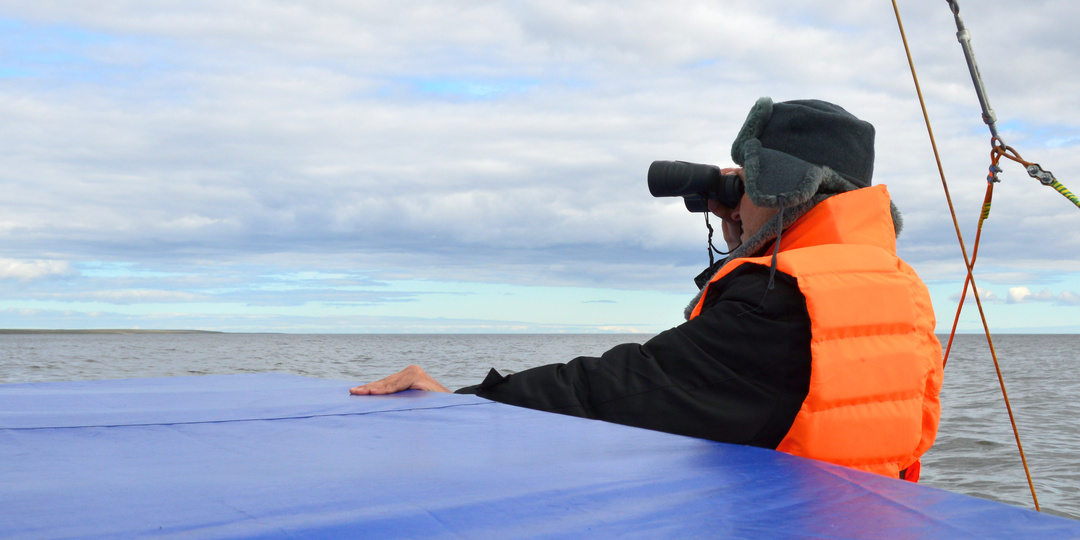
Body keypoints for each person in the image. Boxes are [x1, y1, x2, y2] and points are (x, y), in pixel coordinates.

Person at [351, 98, 944, 481]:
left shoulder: (779, 304)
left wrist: (467, 404)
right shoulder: (898, 291)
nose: (736, 200)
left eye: (749, 184)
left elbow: (621, 388)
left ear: (787, 188)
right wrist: (749, 236)